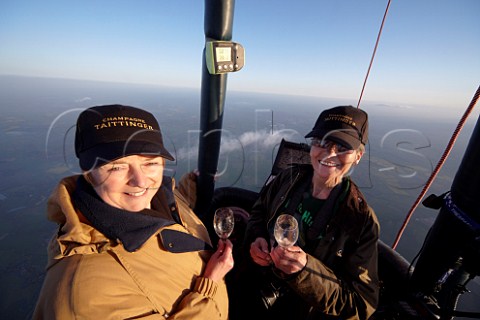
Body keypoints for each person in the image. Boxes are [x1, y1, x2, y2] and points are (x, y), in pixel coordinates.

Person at [33, 104, 233, 319]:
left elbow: (168, 210)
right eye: (117, 167)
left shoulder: (153, 197)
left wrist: (194, 183)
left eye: (150, 163)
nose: (140, 182)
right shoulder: (86, 297)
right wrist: (210, 284)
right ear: (89, 173)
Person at [242, 105, 380, 320]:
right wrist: (256, 237)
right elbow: (259, 211)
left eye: (343, 147)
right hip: (253, 286)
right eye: (321, 142)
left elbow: (361, 305)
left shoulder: (360, 221)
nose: (330, 152)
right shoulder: (288, 178)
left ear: (358, 156)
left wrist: (306, 272)